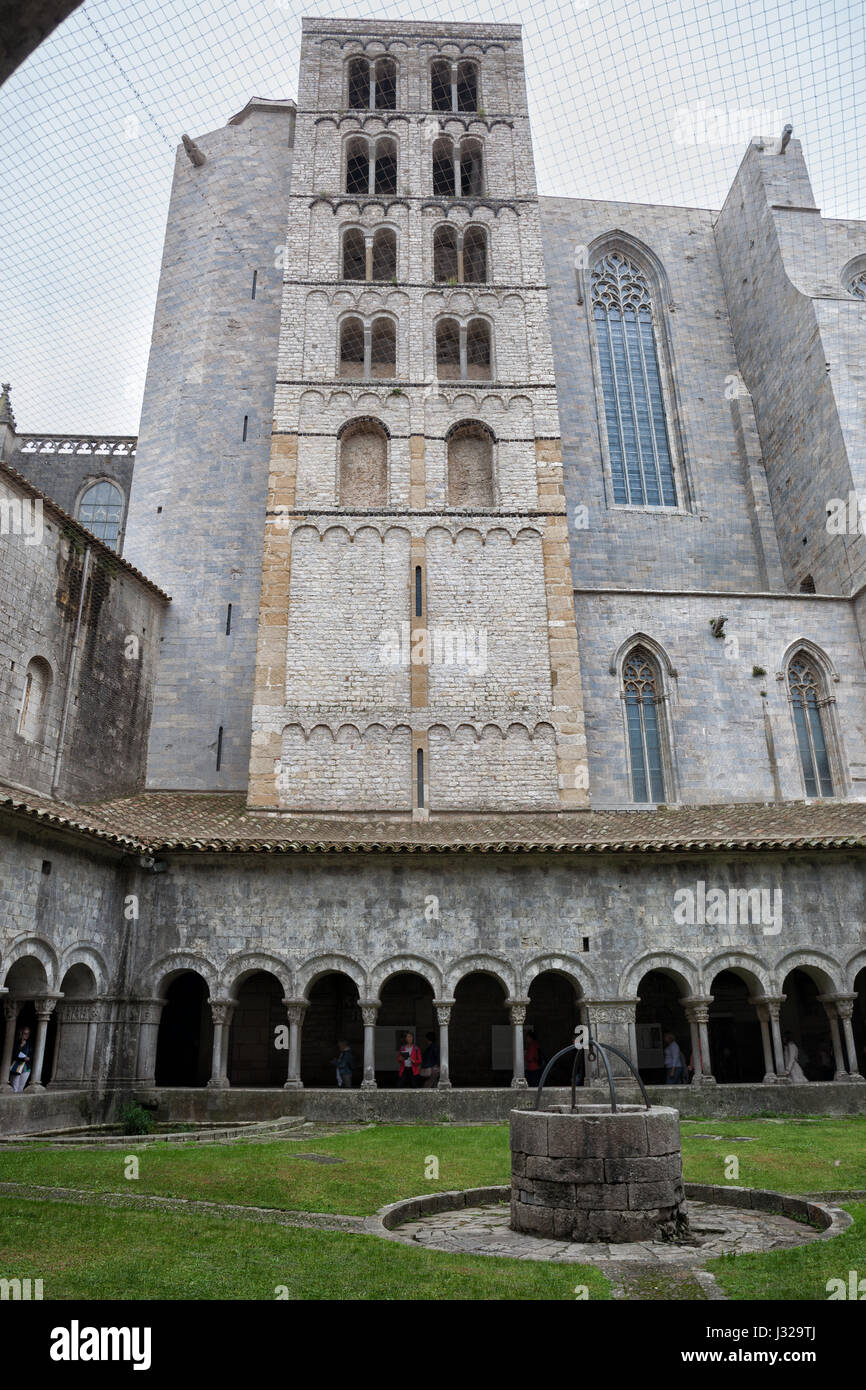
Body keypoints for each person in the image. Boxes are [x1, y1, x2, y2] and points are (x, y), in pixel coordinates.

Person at [9, 1025, 32, 1092]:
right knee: (14, 1087)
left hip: (26, 1067)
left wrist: (29, 1058)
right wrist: (21, 1045)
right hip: (16, 1066)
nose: (27, 1035)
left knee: (21, 1087)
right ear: (20, 1033)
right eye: (25, 1033)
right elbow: (13, 1053)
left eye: (28, 1034)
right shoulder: (15, 1042)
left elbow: (32, 1054)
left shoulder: (29, 1043)